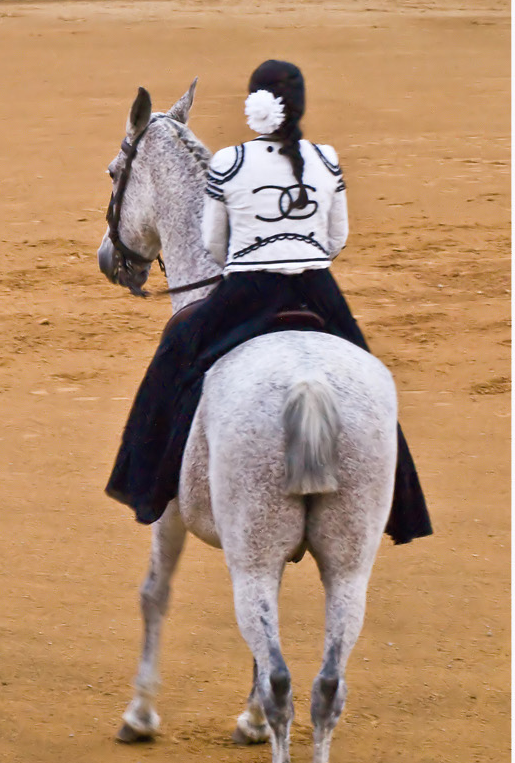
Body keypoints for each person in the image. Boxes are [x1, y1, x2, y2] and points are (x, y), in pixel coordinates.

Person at [106, 59, 431, 543]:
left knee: (176, 350)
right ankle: (401, 508)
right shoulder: (326, 158)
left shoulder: (230, 163)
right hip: (317, 287)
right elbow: (336, 238)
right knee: (368, 374)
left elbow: (216, 245)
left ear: (253, 108)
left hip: (248, 288)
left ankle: (144, 485)